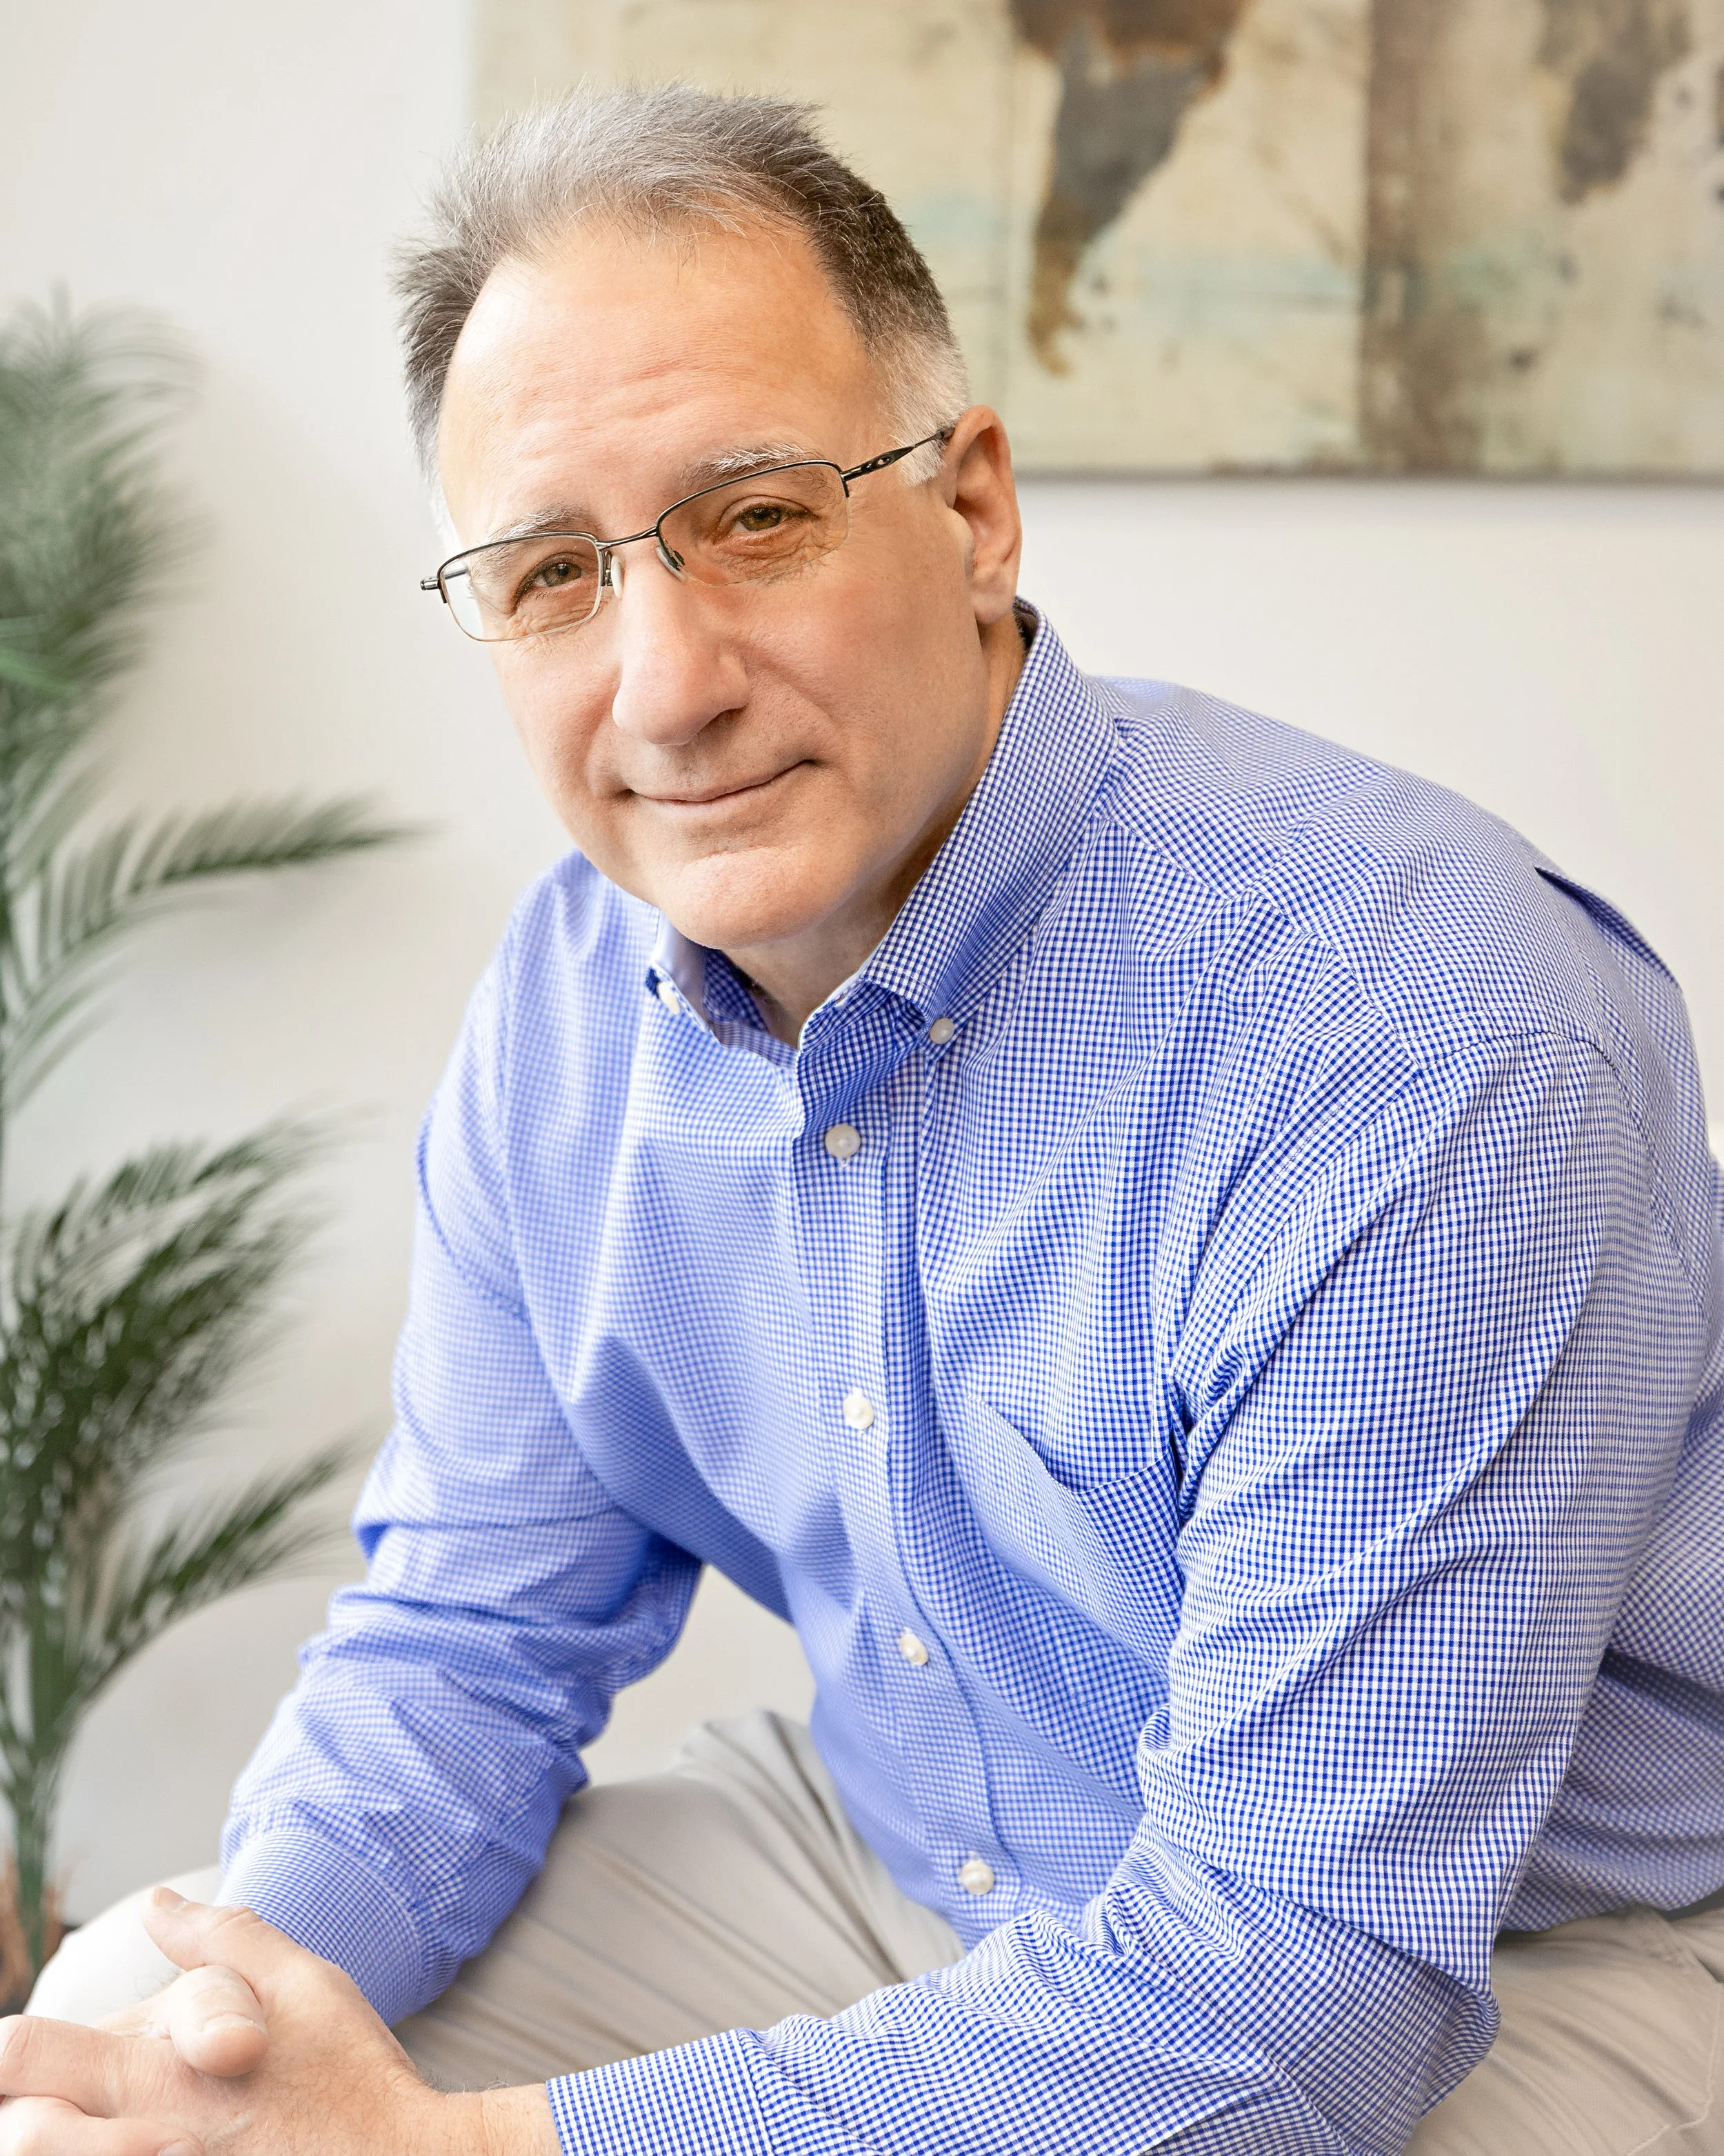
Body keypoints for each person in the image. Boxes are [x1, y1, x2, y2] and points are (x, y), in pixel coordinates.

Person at [3, 83, 1721, 2156]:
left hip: (1519, 1943)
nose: (663, 684)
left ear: (973, 507)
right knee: (123, 2036)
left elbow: (1302, 1990)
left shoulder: (1416, 1026)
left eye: (754, 516)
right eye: (550, 571)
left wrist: (467, 2148)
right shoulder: (568, 1004)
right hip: (902, 1847)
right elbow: (467, 1640)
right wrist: (236, 2030)